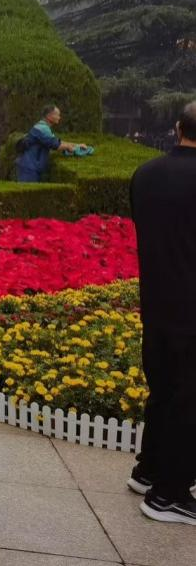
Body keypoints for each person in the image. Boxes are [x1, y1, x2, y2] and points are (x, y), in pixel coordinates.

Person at [128, 100, 196, 525]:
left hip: (156, 301)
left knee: (164, 390)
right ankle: (169, 495)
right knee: (188, 402)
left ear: (177, 128)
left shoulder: (146, 173)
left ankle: (148, 469)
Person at [15, 105, 86, 182]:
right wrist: (69, 148)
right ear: (49, 116)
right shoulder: (42, 129)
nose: (59, 117)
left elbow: (57, 141)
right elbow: (55, 145)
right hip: (29, 168)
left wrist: (77, 145)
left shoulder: (42, 127)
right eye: (57, 115)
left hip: (29, 166)